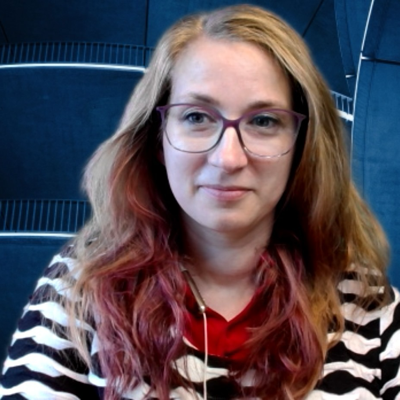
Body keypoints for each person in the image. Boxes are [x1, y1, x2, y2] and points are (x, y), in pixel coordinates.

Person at [1, 4, 399, 400]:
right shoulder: (80, 287)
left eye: (263, 121)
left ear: (301, 145)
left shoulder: (371, 311)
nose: (228, 159)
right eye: (196, 117)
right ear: (158, 139)